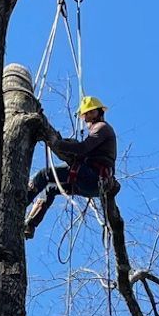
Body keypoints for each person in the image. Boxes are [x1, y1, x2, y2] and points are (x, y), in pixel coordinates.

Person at [24, 96, 118, 239]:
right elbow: (85, 152)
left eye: (88, 114)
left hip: (93, 176)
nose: (86, 118)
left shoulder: (102, 128)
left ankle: (21, 201)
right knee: (51, 189)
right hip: (93, 184)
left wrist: (58, 144)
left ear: (97, 113)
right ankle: (30, 224)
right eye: (85, 115)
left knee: (45, 175)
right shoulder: (99, 130)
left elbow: (83, 148)